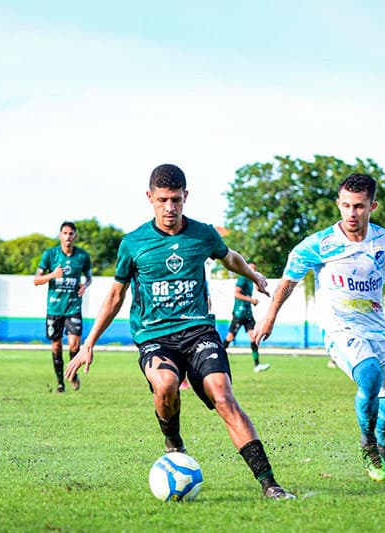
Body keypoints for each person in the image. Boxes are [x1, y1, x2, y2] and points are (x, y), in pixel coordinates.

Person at [65, 163, 295, 500]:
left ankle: (269, 483)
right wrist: (89, 343)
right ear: (150, 198)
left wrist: (254, 276)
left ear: (186, 196)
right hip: (155, 336)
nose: (169, 208)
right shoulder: (133, 243)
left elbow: (228, 257)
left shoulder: (202, 234)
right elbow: (116, 295)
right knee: (166, 385)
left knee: (223, 395)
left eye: (175, 200)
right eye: (162, 200)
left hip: (199, 331)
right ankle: (172, 439)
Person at [254, 173, 385, 482]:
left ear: (372, 206)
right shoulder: (320, 243)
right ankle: (367, 446)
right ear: (338, 204)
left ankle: (382, 450)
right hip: (339, 329)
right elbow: (288, 280)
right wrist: (271, 315)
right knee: (369, 375)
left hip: (376, 330)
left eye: (358, 206)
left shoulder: (384, 240)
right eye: (345, 206)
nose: (351, 213)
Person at [34, 221, 92, 393]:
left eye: (71, 233)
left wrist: (85, 285)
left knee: (74, 345)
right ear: (60, 235)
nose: (68, 237)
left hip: (73, 307)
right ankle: (60, 382)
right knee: (56, 346)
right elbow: (36, 280)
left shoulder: (82, 256)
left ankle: (72, 373)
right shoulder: (50, 255)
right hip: (55, 309)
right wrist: (53, 274)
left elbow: (89, 277)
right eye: (65, 233)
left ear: (75, 236)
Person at [223, 262, 270, 373]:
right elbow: (236, 294)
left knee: (254, 337)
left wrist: (265, 291)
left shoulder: (250, 280)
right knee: (230, 337)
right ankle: (216, 357)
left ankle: (257, 365)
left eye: (255, 269)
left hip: (248, 314)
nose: (253, 271)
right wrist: (251, 300)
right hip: (239, 313)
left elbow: (257, 287)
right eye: (251, 269)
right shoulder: (242, 278)